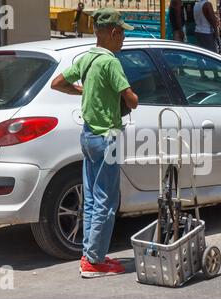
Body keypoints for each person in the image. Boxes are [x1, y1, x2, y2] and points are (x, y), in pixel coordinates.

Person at [51, 8, 139, 278]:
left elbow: (58, 83)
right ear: (112, 33)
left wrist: (82, 89)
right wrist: (130, 98)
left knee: (91, 197)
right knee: (106, 200)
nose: (124, 38)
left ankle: (90, 255)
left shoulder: (87, 59)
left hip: (88, 137)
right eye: (122, 32)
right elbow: (131, 99)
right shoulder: (111, 62)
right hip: (107, 138)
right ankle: (94, 262)